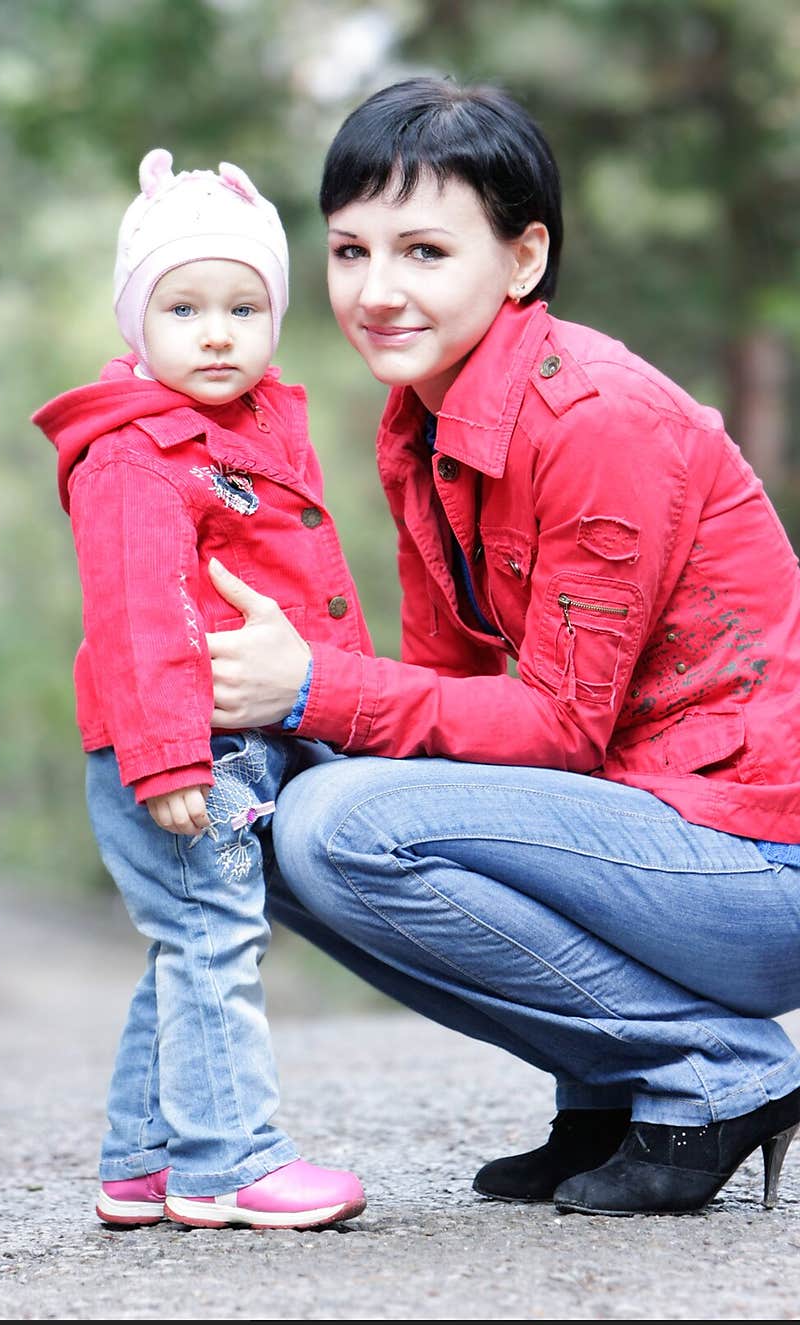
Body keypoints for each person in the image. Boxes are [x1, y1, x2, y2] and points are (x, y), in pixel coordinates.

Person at [201, 78, 800, 1217]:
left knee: (341, 821)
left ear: (521, 260)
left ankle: (720, 1073)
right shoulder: (426, 417)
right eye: (348, 251)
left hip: (760, 864)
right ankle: (611, 1090)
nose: (375, 292)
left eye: (423, 251)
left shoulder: (593, 420)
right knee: (266, 813)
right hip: (643, 837)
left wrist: (315, 687)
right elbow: (456, 700)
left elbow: (558, 729)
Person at [32, 149, 368, 1230]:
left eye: (242, 305)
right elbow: (135, 617)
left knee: (190, 935)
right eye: (183, 307)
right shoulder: (136, 454)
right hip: (181, 747)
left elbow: (302, 581)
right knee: (215, 940)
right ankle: (226, 1162)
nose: (216, 331)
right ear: (140, 323)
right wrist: (169, 755)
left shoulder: (242, 433)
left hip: (230, 737)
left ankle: (140, 1158)